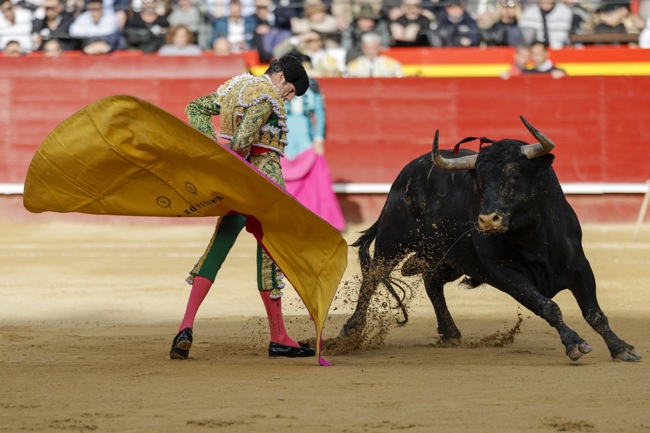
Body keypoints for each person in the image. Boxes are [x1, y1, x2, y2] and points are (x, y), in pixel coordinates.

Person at [170, 55, 316, 360]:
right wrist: (236, 160)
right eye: (290, 90)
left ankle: (185, 326)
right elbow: (241, 142)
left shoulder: (235, 88)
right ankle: (279, 337)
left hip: (234, 183)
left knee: (218, 246)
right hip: (262, 186)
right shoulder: (267, 95)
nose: (288, 98)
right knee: (270, 255)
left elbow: (195, 108)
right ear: (281, 77)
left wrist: (212, 151)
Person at [283, 75, 347, 232]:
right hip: (285, 137)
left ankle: (318, 220)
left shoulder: (311, 85)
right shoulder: (278, 83)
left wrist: (319, 138)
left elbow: (319, 111)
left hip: (306, 138)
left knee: (315, 180)